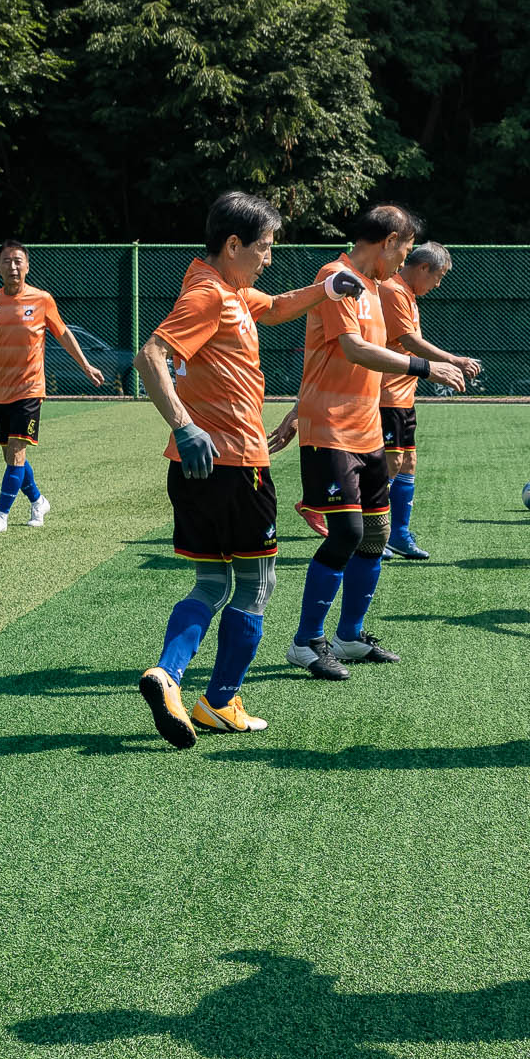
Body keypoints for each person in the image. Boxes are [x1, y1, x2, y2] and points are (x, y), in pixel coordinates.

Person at [134, 192, 364, 745]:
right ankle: (220, 702)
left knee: (210, 581)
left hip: (198, 468)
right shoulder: (209, 296)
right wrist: (185, 424)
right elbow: (150, 356)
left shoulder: (225, 288)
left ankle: (167, 673)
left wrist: (326, 289)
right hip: (233, 463)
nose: (268, 258)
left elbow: (277, 305)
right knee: (256, 585)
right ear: (233, 245)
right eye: (262, 248)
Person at [269, 205, 467, 680]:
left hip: (367, 429)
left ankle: (350, 637)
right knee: (347, 534)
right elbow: (352, 349)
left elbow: (336, 360)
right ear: (390, 239)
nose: (405, 259)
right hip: (331, 430)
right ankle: (305, 643)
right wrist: (425, 367)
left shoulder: (377, 289)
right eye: (403, 248)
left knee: (375, 536)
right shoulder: (337, 277)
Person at [0, 239, 107, 533]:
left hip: (29, 388)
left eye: (18, 261)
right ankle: (39, 500)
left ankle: (0, 515)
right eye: (7, 261)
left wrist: (86, 365)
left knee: (16, 449)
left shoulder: (42, 300)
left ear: (27, 266)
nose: (13, 266)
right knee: (12, 455)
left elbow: (64, 334)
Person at [374, 241, 484, 559]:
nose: (438, 284)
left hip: (403, 394)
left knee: (407, 461)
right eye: (438, 277)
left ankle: (399, 535)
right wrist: (453, 360)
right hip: (386, 392)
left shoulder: (406, 293)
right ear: (424, 268)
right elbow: (409, 341)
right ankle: (372, 532)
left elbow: (410, 341)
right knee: (391, 463)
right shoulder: (393, 290)